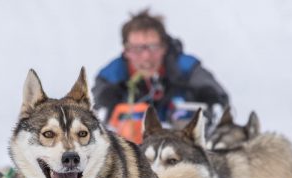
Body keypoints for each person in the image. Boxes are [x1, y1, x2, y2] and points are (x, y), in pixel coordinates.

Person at [93, 10, 229, 136]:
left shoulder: (187, 68)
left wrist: (211, 103)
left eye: (153, 47)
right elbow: (91, 108)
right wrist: (105, 108)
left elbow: (218, 98)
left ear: (164, 46)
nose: (146, 56)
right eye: (137, 49)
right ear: (126, 51)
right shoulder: (111, 77)